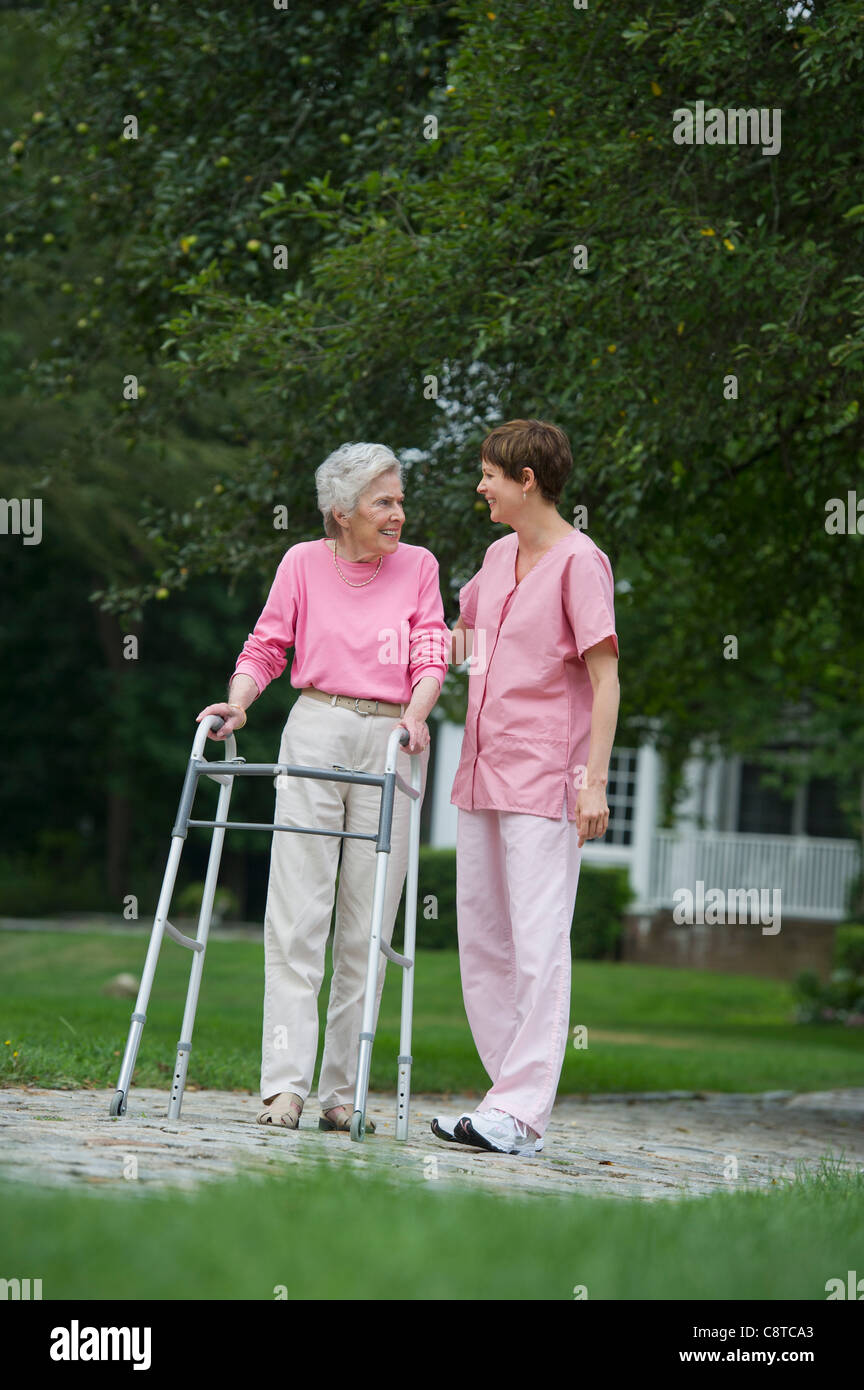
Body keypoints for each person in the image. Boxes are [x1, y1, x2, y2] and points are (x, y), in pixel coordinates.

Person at [197, 442, 449, 1132]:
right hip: (317, 726)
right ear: (342, 512)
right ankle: (285, 1086)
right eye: (384, 502)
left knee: (367, 927)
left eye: (399, 500)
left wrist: (418, 717)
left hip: (391, 737)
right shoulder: (302, 563)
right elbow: (267, 645)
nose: (399, 513)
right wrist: (240, 702)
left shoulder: (419, 566)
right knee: (297, 919)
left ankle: (342, 1093)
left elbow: (432, 647)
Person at [433, 418, 620, 1155]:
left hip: (549, 778)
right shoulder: (496, 553)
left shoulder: (582, 563)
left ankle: (520, 1111)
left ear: (526, 480)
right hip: (482, 771)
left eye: (488, 474)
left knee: (539, 944)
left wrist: (594, 785)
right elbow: (462, 638)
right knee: (483, 942)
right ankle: (502, 1103)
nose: (480, 487)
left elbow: (606, 681)